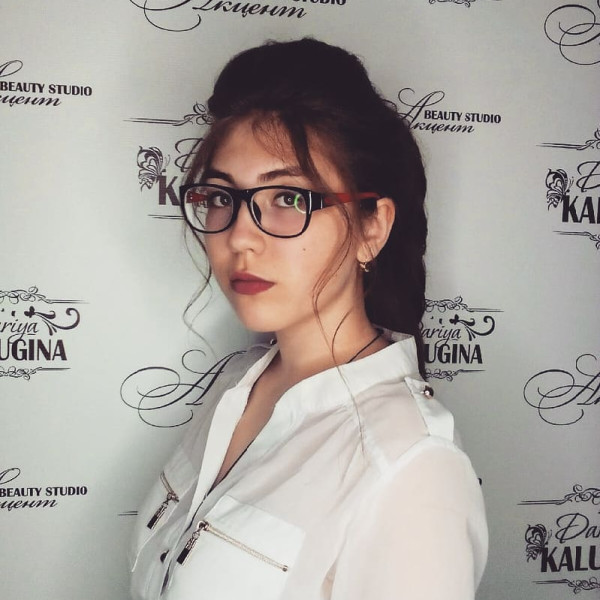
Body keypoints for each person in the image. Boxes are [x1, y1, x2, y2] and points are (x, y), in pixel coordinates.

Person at [129, 38, 488, 600]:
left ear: (372, 227)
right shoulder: (236, 385)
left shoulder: (411, 464)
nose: (239, 237)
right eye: (220, 197)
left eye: (289, 199)